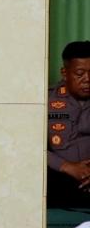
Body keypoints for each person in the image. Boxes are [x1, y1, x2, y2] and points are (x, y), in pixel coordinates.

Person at [47, 40, 90, 208]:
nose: (87, 79)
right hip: (58, 179)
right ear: (64, 73)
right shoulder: (45, 101)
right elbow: (31, 145)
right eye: (80, 73)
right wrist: (66, 167)